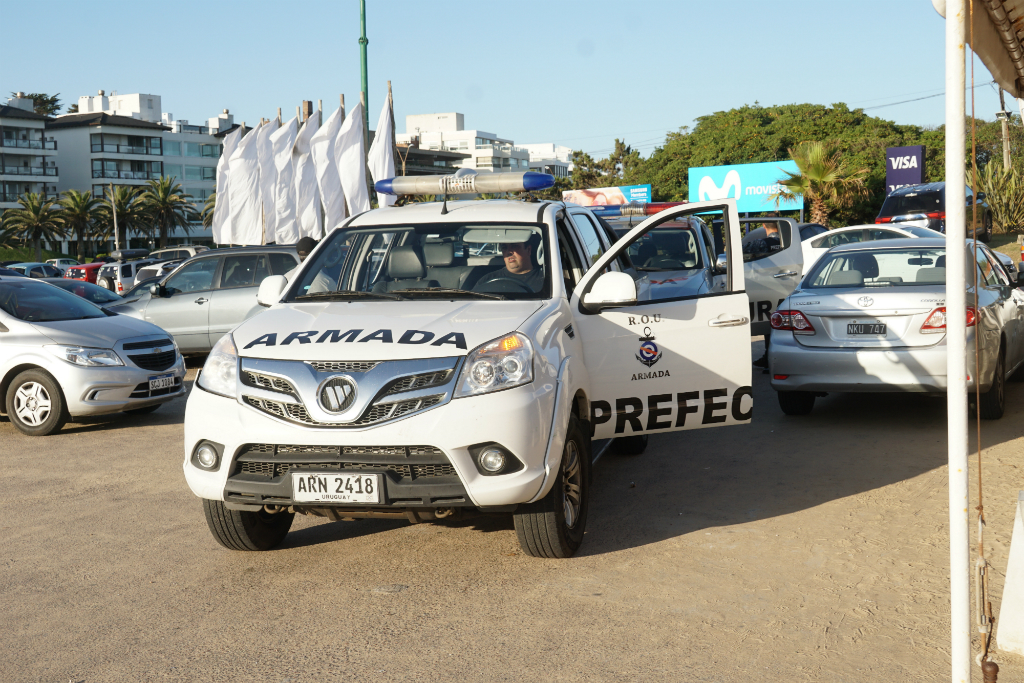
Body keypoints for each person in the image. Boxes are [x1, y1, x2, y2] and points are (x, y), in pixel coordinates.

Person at [474, 241, 543, 292]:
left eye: (514, 246)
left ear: (528, 250)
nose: (509, 252)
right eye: (504, 247)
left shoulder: (546, 280)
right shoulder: (487, 280)